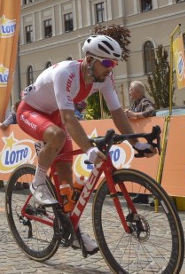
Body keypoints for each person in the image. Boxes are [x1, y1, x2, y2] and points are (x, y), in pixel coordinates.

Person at [16, 35, 156, 254]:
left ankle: (74, 232)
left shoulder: (104, 79)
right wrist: (89, 150)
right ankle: (38, 182)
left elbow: (118, 115)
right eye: (107, 63)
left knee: (66, 183)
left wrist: (136, 144)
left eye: (114, 63)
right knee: (58, 135)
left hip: (55, 116)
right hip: (30, 111)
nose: (111, 69)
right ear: (90, 60)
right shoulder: (67, 73)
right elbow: (69, 119)